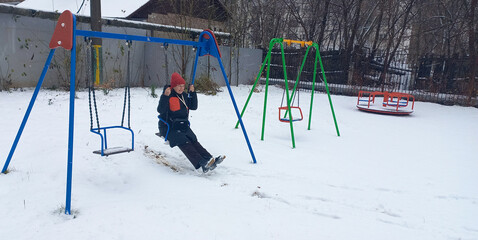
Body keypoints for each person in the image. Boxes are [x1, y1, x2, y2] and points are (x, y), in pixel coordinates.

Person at [157, 72, 225, 173]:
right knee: (183, 141)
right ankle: (202, 163)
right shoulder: (168, 95)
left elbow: (193, 107)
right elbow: (160, 110)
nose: (181, 88)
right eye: (178, 86)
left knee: (193, 139)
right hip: (168, 127)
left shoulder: (184, 95)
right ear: (173, 86)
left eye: (182, 86)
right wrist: (165, 96)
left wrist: (192, 93)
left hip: (182, 125)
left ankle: (210, 159)